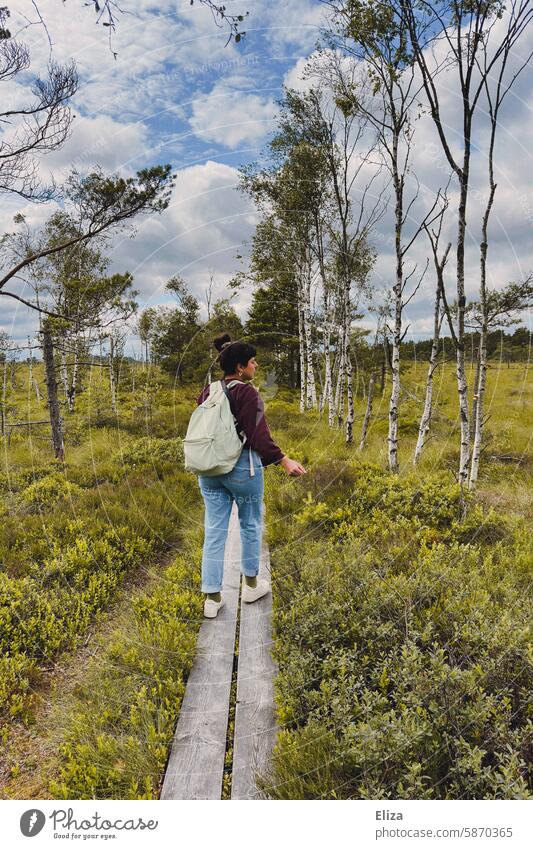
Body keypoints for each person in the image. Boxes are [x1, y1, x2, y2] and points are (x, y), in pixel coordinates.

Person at [196, 333, 306, 618]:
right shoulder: (247, 392)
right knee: (250, 526)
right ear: (242, 367)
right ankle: (252, 586)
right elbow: (259, 436)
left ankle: (211, 598)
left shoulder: (208, 391)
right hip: (242, 468)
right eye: (253, 362)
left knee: (214, 532)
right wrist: (284, 460)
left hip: (209, 471)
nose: (257, 366)